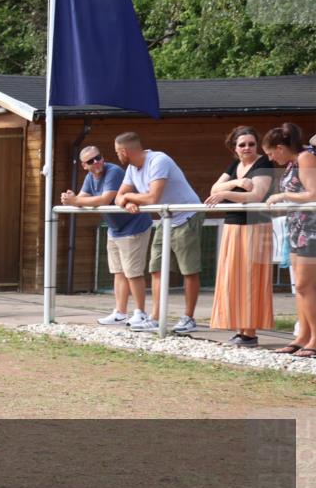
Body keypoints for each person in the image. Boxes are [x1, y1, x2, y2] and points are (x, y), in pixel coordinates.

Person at [114, 132, 203, 334]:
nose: (117, 155)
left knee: (188, 269)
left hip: (187, 215)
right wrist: (127, 202)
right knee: (156, 268)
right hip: (166, 218)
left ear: (124, 151)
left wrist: (129, 197)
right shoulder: (131, 168)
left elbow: (153, 197)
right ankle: (155, 317)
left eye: (117, 152)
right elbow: (119, 197)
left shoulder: (158, 160)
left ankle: (189, 318)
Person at [61, 145, 153, 326]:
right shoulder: (90, 177)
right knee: (118, 272)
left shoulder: (113, 171)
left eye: (98, 157)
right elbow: (81, 198)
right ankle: (120, 313)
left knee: (133, 273)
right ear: (84, 165)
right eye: (91, 161)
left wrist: (75, 200)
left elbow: (104, 199)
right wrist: (72, 199)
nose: (96, 162)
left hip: (134, 226)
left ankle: (140, 313)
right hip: (115, 229)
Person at [206, 127, 275, 346]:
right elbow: (214, 188)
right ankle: (240, 328)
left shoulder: (264, 164)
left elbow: (256, 196)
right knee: (232, 277)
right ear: (234, 148)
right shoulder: (234, 165)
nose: (247, 148)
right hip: (233, 226)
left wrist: (225, 193)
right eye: (242, 145)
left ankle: (250, 332)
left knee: (250, 277)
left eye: (251, 144)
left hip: (255, 226)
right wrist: (235, 183)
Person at [265, 123, 316, 357]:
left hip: (311, 229)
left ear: (280, 147)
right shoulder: (292, 163)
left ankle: (314, 338)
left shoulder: (306, 158)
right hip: (297, 227)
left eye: (271, 153)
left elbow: (313, 193)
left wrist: (283, 195)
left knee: (306, 285)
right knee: (300, 287)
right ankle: (303, 336)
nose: (271, 158)